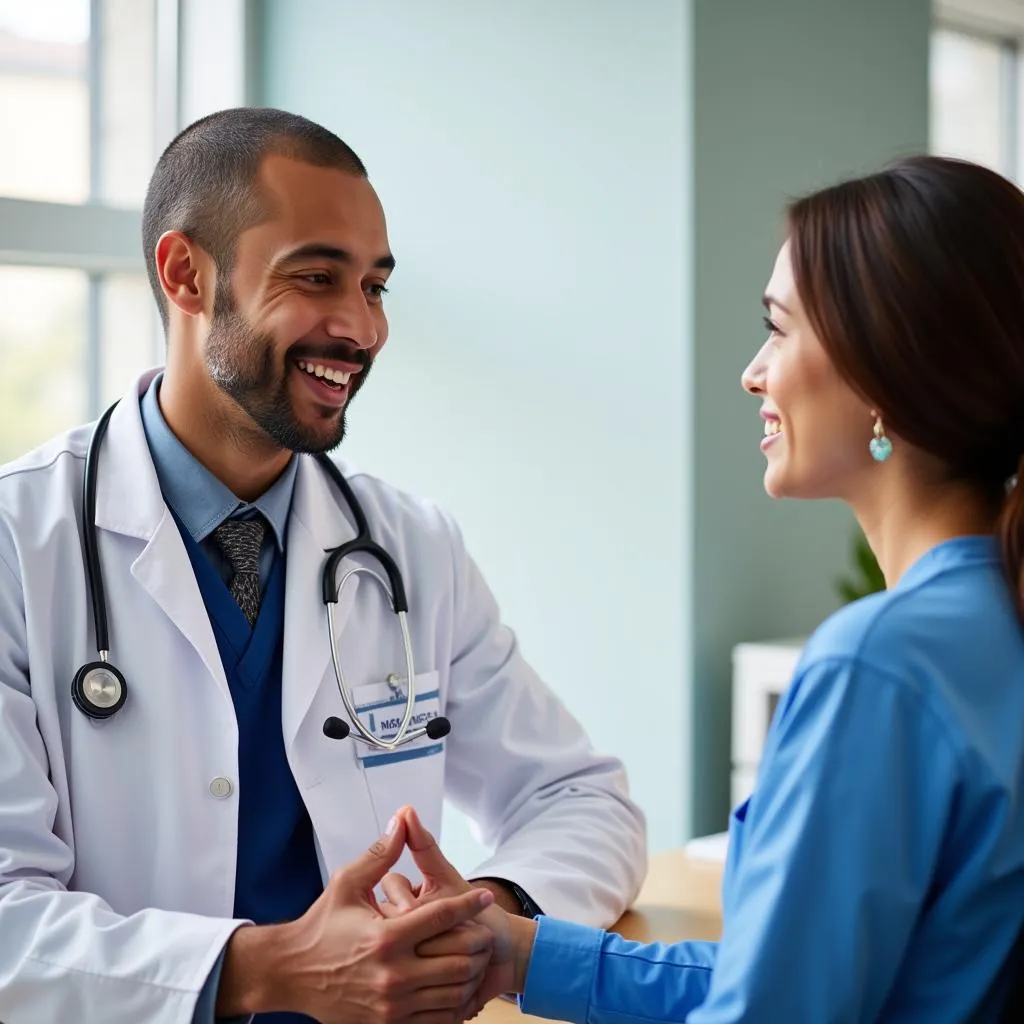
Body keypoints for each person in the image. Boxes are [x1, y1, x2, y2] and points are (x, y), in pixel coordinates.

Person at [0, 107, 646, 1024]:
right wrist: (267, 970)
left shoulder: (410, 546)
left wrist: (486, 917)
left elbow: (579, 799)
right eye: (316, 278)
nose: (361, 328)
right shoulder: (17, 545)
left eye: (376, 287)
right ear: (186, 274)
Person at [384, 156, 1024, 1022]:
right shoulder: (993, 622)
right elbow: (800, 980)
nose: (754, 373)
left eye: (780, 329)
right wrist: (520, 953)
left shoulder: (880, 666)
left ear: (885, 370)